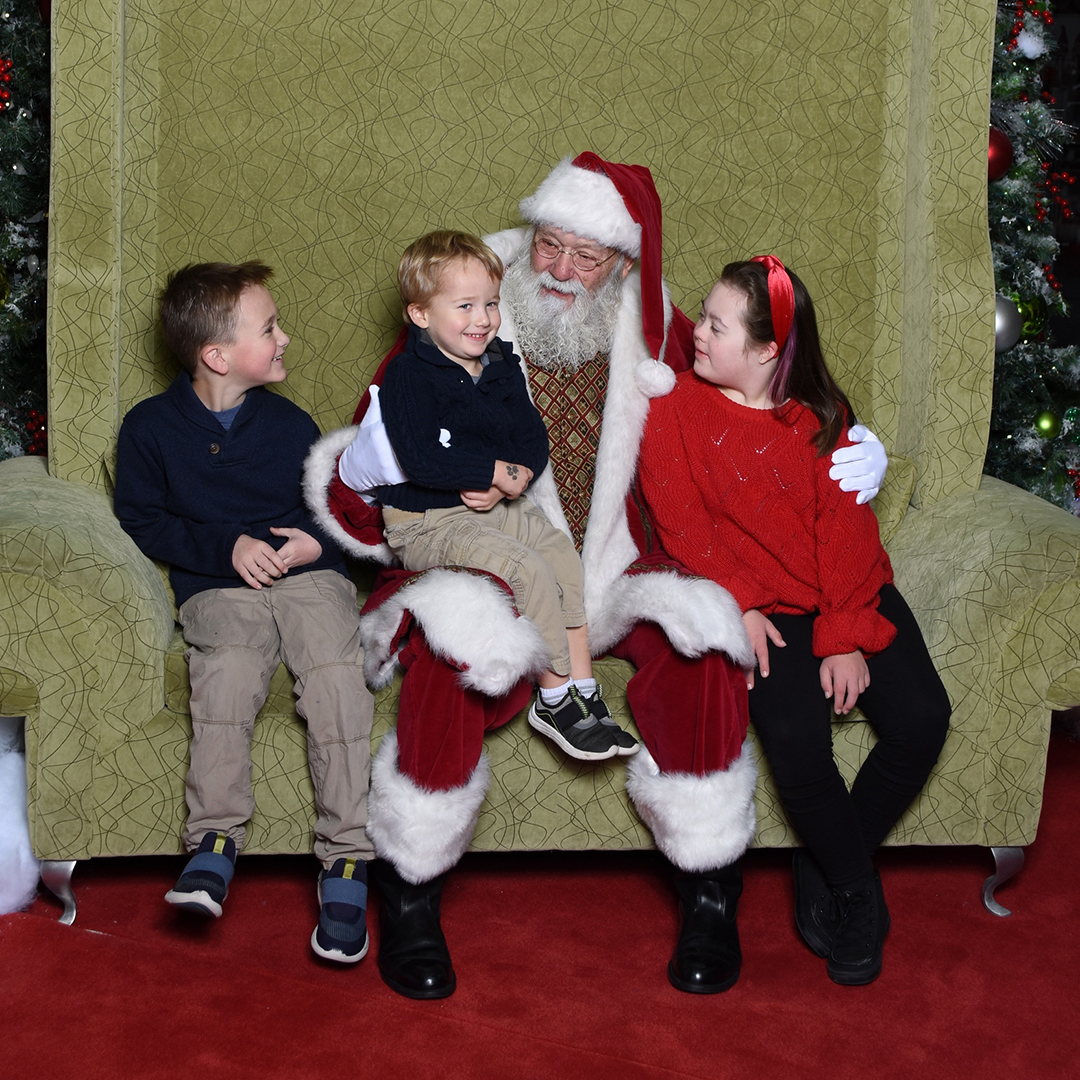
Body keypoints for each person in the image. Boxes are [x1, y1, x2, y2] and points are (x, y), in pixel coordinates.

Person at [306, 154, 888, 998]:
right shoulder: (466, 304)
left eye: (589, 256)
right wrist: (370, 488)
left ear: (623, 263)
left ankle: (709, 891)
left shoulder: (660, 328)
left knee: (705, 641)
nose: (563, 272)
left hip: (624, 566)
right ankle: (411, 889)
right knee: (452, 647)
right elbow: (377, 450)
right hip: (496, 563)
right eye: (551, 246)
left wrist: (843, 445)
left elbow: (766, 392)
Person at [637, 256, 951, 985]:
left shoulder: (822, 416)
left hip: (848, 593)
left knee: (923, 720)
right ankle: (855, 889)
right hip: (768, 609)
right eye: (704, 316)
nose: (698, 332)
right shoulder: (671, 410)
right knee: (796, 743)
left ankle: (826, 863)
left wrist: (843, 636)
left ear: (768, 348)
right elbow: (686, 530)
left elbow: (847, 536)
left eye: (716, 325)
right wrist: (739, 601)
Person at [114, 261, 375, 965]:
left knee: (333, 678)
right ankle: (214, 843)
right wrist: (222, 545)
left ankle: (347, 859)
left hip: (307, 577)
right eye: (270, 328)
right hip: (217, 585)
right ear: (217, 355)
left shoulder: (291, 425)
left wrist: (308, 544)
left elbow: (337, 514)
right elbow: (140, 519)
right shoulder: (149, 429)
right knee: (227, 672)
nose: (286, 336)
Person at [345, 229, 637, 761]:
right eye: (465, 307)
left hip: (495, 506)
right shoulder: (410, 375)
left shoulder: (499, 362)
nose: (482, 319)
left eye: (491, 304)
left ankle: (585, 691)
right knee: (523, 568)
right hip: (427, 519)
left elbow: (530, 433)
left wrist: (520, 472)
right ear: (421, 315)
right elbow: (420, 458)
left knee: (560, 555)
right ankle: (554, 697)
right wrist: (489, 470)